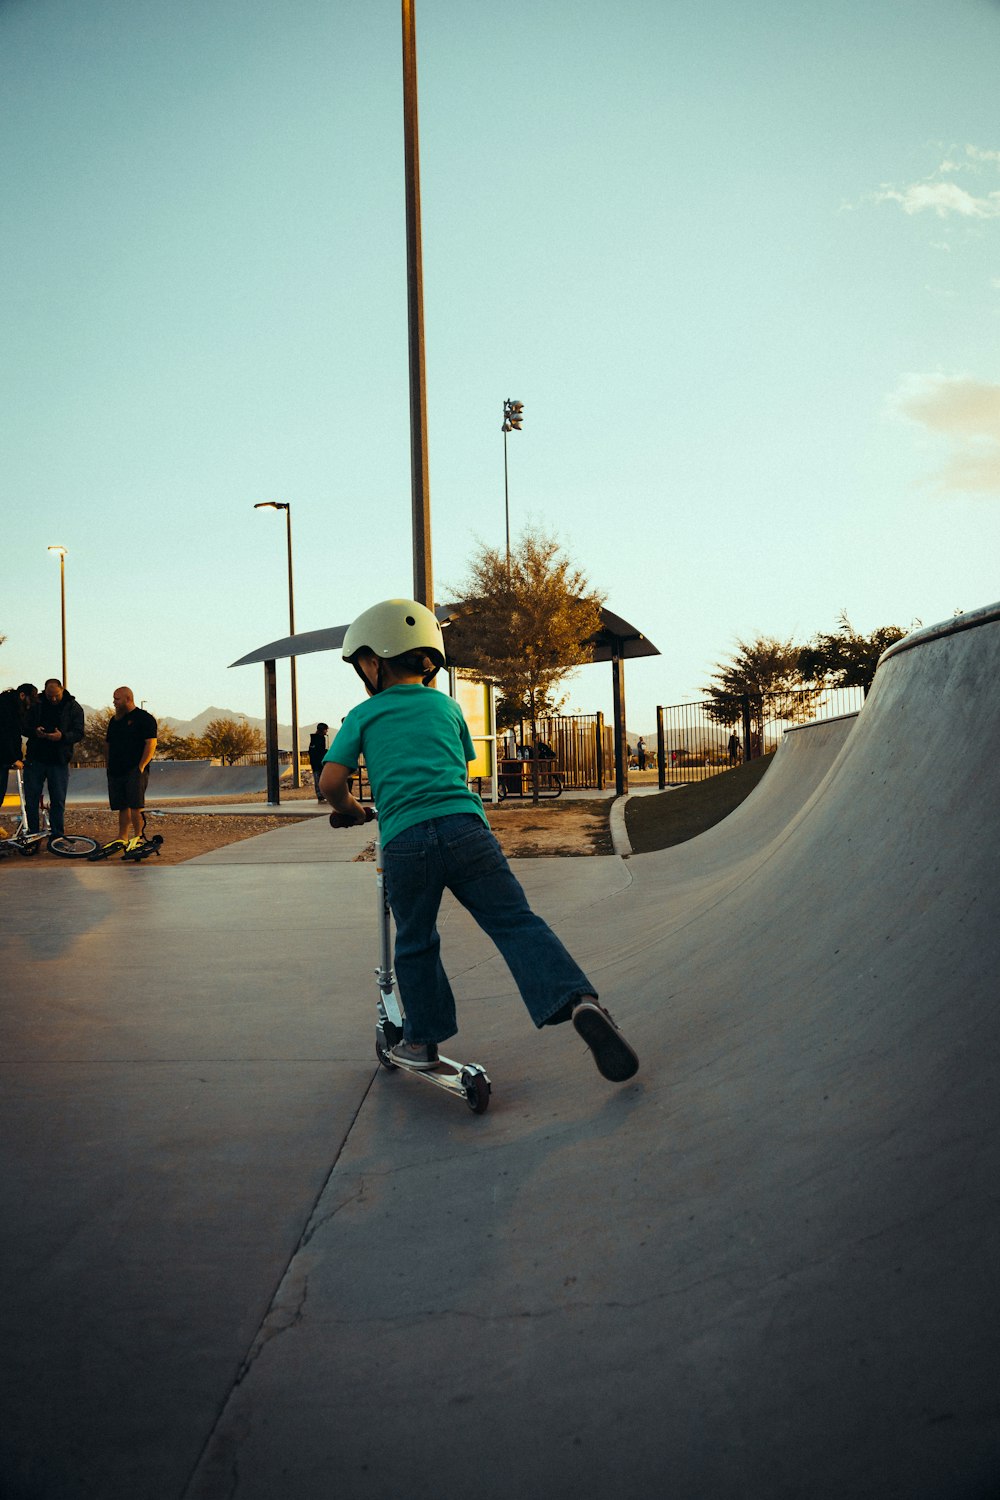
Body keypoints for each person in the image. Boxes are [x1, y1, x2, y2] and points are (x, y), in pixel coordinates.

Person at [320, 598, 638, 1083]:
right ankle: (579, 1001)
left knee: (417, 941)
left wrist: (352, 811)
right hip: (467, 830)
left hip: (406, 840)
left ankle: (423, 1042)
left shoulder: (364, 715)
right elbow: (459, 762)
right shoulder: (447, 707)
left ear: (374, 660)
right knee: (516, 923)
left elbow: (330, 783)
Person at [23, 678, 84, 839]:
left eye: (56, 695)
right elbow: (23, 725)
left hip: (59, 759)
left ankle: (57, 836)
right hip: (35, 757)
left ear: (62, 690)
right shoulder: (36, 704)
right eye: (50, 696)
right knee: (31, 798)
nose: (53, 699)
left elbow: (79, 732)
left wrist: (62, 736)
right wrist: (34, 731)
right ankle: (33, 836)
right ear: (45, 691)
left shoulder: (73, 707)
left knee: (58, 799)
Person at [106, 687, 158, 846]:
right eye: (114, 699)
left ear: (128, 699)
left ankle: (139, 836)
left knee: (136, 805)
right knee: (122, 805)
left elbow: (151, 743)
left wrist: (141, 766)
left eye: (117, 699)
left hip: (134, 769)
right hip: (116, 769)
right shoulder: (114, 720)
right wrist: (108, 764)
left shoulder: (144, 718)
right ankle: (122, 837)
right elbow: (107, 743)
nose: (114, 702)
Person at [0, 683, 38, 813]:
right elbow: (5, 735)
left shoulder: (10, 706)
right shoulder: (8, 709)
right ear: (22, 695)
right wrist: (13, 758)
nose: (29, 706)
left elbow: (17, 731)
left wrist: (35, 732)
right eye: (29, 701)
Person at [308, 722, 329, 802]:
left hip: (315, 762)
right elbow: (319, 751)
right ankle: (321, 795)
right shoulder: (320, 739)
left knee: (318, 778)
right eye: (326, 730)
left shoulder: (314, 739)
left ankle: (321, 794)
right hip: (318, 762)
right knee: (319, 778)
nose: (326, 732)